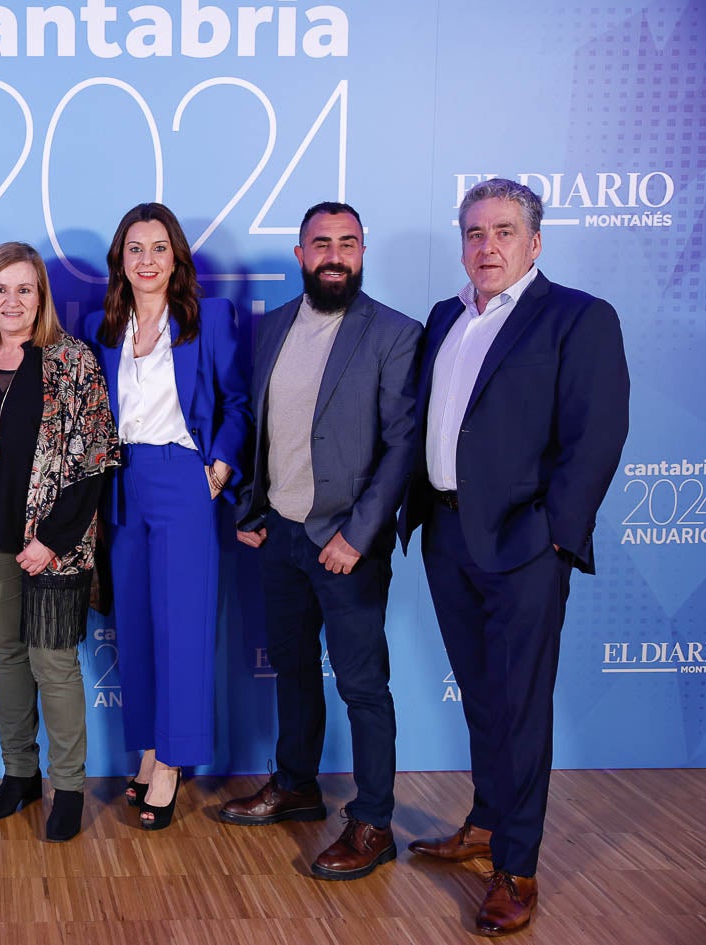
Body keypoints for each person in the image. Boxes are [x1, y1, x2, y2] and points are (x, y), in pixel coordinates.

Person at [399, 178, 629, 935]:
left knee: (520, 705)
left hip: (524, 545)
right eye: (472, 232)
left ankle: (517, 868)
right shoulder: (444, 316)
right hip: (447, 535)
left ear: (533, 241)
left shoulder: (577, 318)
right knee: (480, 695)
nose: (485, 245)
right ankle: (488, 822)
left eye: (502, 231)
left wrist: (553, 536)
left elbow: (594, 437)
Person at [219, 202, 420, 880]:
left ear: (361, 252)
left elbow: (402, 447)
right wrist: (250, 508)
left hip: (345, 545)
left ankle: (373, 821)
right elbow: (254, 426)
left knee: (362, 684)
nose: (334, 254)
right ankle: (296, 785)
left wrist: (358, 536)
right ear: (300, 253)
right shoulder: (268, 328)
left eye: (348, 242)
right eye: (320, 243)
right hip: (280, 534)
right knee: (293, 667)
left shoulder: (394, 333)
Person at [82, 203, 249, 830]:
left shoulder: (206, 322)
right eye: (134, 249)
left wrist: (221, 467)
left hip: (184, 479)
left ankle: (174, 764)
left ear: (175, 256)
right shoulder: (107, 329)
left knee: (181, 626)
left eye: (158, 248)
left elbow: (236, 402)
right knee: (137, 627)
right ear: (120, 261)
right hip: (122, 485)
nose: (146, 260)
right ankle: (150, 748)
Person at [0, 242, 117, 842]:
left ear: (42, 296)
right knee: (9, 658)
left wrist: (50, 539)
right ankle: (19, 776)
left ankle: (68, 787)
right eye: (0, 289)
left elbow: (96, 459)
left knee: (54, 661)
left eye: (25, 289)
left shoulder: (73, 361)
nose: (12, 300)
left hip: (54, 543)